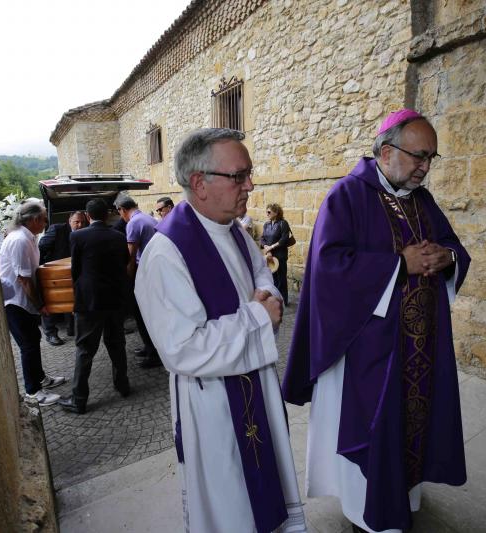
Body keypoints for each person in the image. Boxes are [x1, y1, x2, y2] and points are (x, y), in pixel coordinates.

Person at [282, 110, 470, 533]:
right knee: (373, 430)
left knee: (411, 430)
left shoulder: (421, 200)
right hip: (367, 350)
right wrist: (397, 265)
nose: (425, 167)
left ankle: (404, 495)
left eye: (431, 158)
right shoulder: (347, 196)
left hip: (419, 343)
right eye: (419, 156)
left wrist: (449, 258)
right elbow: (328, 268)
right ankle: (363, 514)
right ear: (387, 152)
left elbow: (452, 245)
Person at [135, 128, 307, 533]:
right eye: (239, 175)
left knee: (265, 492)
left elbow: (263, 277)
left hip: (256, 387)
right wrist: (259, 316)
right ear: (200, 183)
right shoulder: (166, 254)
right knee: (231, 506)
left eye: (249, 173)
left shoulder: (232, 229)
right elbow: (183, 349)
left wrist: (264, 302)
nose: (250, 184)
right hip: (212, 406)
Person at [58, 199, 132, 414]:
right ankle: (122, 385)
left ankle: (79, 399)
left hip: (90, 301)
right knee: (117, 344)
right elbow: (125, 261)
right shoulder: (119, 236)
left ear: (88, 217)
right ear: (108, 215)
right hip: (115, 299)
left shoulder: (78, 236)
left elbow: (76, 270)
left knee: (85, 350)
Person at [0, 199, 67, 406]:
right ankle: (33, 391)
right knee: (28, 345)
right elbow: (24, 279)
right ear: (35, 219)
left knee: (33, 339)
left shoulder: (27, 237)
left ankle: (40, 378)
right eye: (44, 219)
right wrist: (40, 306)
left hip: (21, 299)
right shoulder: (20, 240)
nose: (46, 223)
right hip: (16, 301)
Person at [116, 195, 160, 367]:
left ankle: (154, 353)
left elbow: (131, 256)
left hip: (145, 272)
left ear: (122, 210)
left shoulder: (133, 223)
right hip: (154, 270)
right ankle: (149, 348)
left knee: (142, 314)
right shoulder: (147, 217)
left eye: (120, 213)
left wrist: (128, 280)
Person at [38, 210, 88, 345]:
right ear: (69, 221)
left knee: (70, 299)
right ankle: (50, 333)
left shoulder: (85, 232)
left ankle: (72, 328)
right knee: (52, 302)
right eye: (76, 222)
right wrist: (47, 267)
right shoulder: (57, 229)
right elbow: (41, 247)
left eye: (83, 222)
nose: (80, 225)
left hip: (72, 272)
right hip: (54, 272)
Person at [260, 203, 292, 306]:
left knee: (281, 278)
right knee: (272, 278)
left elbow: (284, 239)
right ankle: (274, 299)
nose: (267, 213)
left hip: (280, 255)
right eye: (266, 211)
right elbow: (262, 238)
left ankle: (283, 301)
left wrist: (272, 247)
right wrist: (267, 248)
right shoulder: (267, 224)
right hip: (269, 255)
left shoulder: (283, 223)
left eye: (269, 212)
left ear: (276, 212)